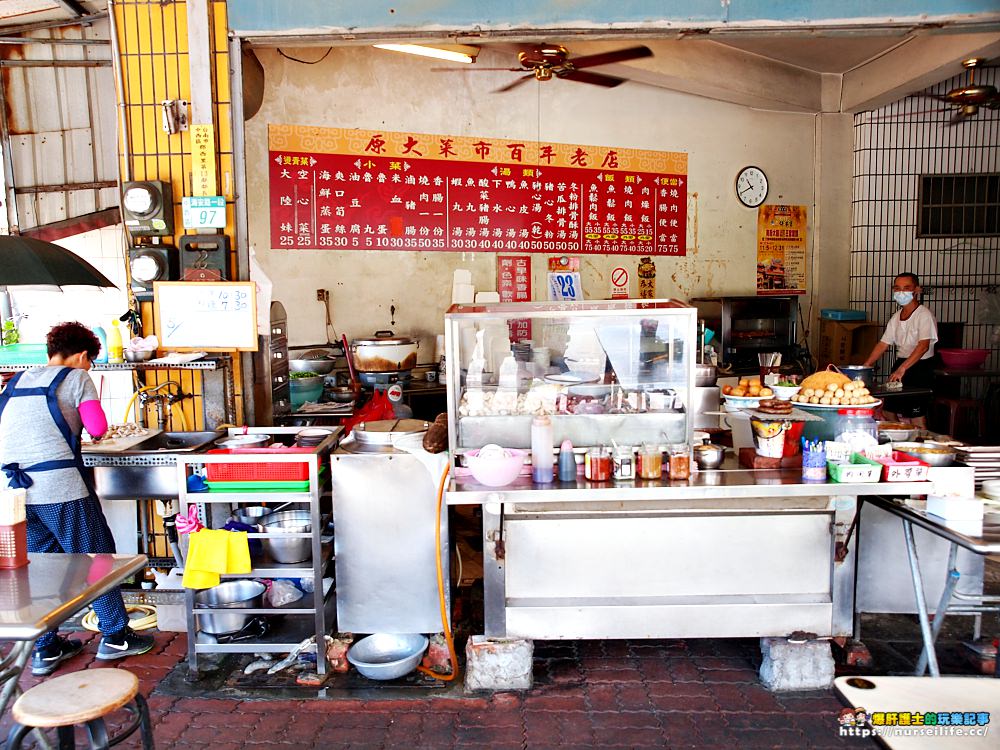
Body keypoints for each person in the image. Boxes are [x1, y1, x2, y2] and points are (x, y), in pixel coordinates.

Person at [0, 322, 154, 675]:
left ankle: (45, 646)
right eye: (90, 362)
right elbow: (98, 428)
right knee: (96, 558)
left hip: (14, 491)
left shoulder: (18, 380)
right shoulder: (76, 378)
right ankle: (116, 636)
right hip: (59, 487)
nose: (90, 369)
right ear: (82, 355)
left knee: (40, 566)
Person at [862, 272, 938, 428]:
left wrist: (902, 369)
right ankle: (903, 438)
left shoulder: (924, 315)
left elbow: (923, 346)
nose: (901, 292)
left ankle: (918, 445)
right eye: (898, 288)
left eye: (906, 288)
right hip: (901, 365)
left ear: (917, 290)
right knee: (889, 411)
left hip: (920, 367)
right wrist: (865, 366)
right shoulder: (896, 317)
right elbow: (883, 343)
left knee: (917, 415)